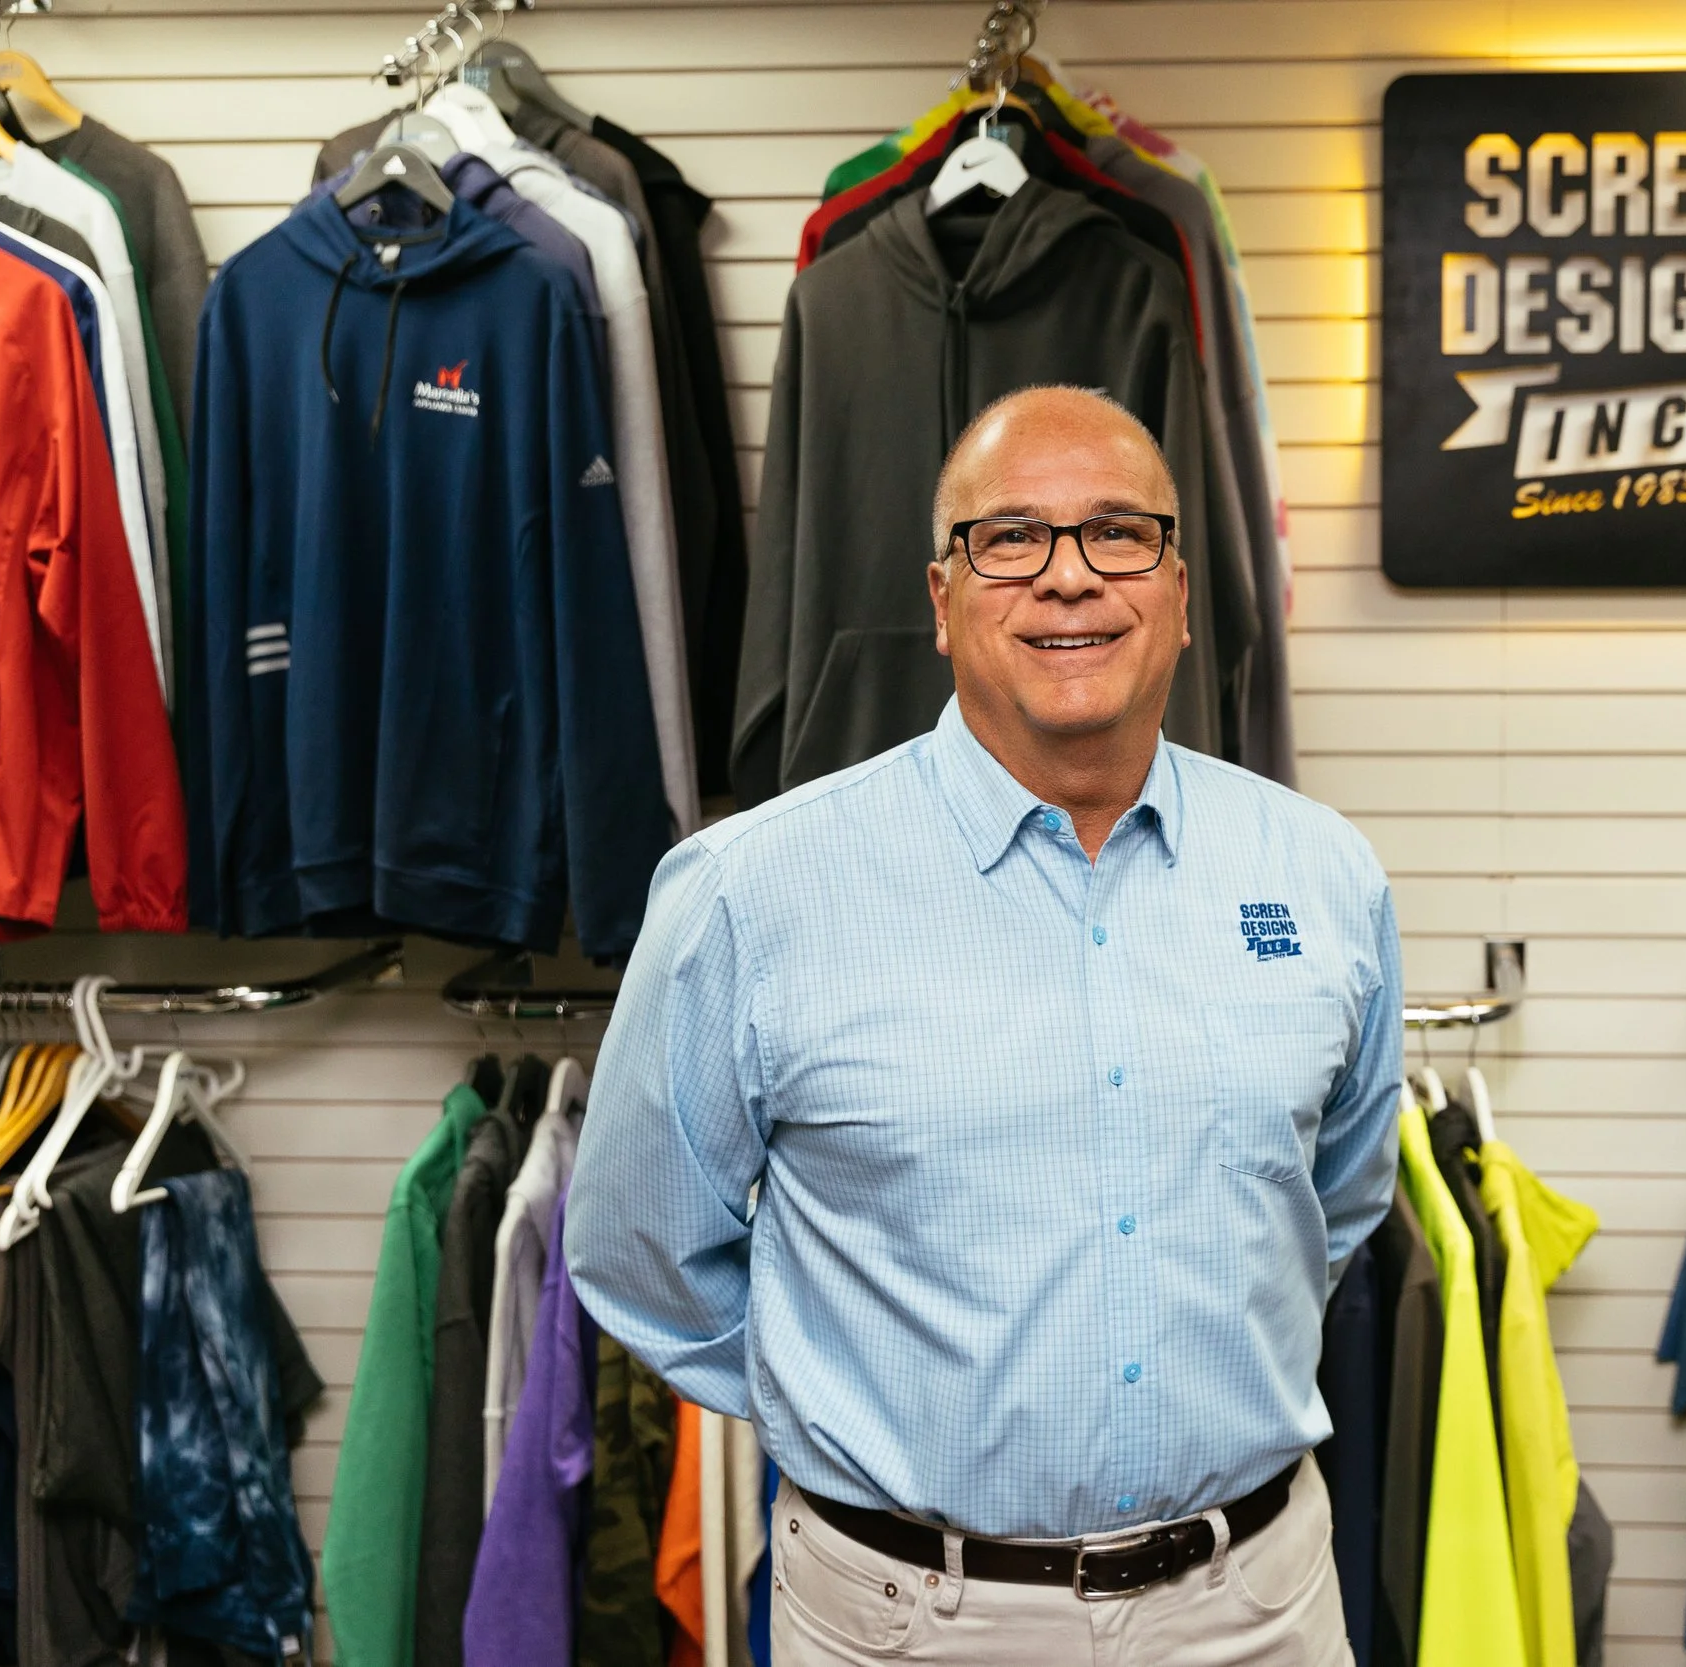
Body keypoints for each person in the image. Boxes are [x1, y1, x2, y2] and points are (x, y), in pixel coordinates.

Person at [567, 384, 1404, 1664]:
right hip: (907, 1620)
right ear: (944, 602)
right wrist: (853, 1390)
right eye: (1010, 538)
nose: (1069, 578)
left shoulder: (1322, 875)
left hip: (1255, 1606)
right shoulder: (752, 892)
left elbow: (1333, 1201)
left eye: (1119, 533)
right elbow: (643, 1251)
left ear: (1180, 592)